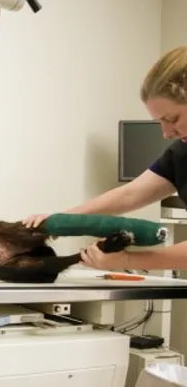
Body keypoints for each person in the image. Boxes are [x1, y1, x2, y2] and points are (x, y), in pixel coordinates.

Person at [22, 44, 187, 272]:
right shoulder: (182, 154)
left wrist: (131, 262)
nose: (167, 133)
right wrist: (61, 220)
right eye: (160, 122)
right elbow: (130, 194)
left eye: (172, 118)